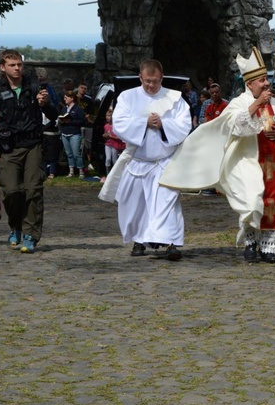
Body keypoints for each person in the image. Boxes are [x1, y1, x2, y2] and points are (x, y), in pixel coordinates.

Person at [161, 48, 275, 263]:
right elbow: (236, 127)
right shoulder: (238, 103)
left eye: (266, 79)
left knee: (273, 203)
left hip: (274, 163)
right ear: (250, 83)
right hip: (246, 161)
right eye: (261, 80)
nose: (266, 84)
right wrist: (257, 104)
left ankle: (268, 246)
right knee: (253, 202)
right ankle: (251, 240)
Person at [98, 59, 191, 260]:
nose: (151, 85)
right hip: (138, 162)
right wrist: (144, 122)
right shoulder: (127, 97)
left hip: (164, 162)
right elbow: (119, 124)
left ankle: (170, 244)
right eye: (148, 81)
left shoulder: (175, 99)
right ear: (140, 78)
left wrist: (163, 124)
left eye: (155, 81)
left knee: (168, 202)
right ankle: (139, 240)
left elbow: (184, 125)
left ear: (161, 78)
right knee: (136, 205)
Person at [0, 49, 58, 253]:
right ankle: (16, 226)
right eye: (12, 65)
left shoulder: (35, 87)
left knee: (33, 189)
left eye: (19, 64)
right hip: (8, 147)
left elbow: (55, 114)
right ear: (2, 67)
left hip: (33, 144)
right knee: (12, 191)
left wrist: (44, 104)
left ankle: (31, 234)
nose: (17, 68)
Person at [59, 90, 88, 179]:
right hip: (65, 133)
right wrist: (62, 120)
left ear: (72, 98)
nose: (64, 99)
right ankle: (71, 171)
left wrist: (71, 121)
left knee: (76, 154)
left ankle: (81, 171)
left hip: (74, 134)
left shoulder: (78, 109)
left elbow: (83, 121)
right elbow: (61, 117)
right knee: (69, 153)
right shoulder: (64, 109)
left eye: (66, 98)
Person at [103, 107, 125, 176]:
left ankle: (115, 173)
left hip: (115, 144)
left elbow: (120, 137)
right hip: (108, 144)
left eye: (109, 116)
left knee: (114, 159)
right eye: (106, 116)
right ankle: (108, 173)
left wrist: (112, 137)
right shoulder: (106, 126)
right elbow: (104, 134)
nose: (107, 117)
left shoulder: (116, 126)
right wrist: (104, 135)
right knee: (108, 159)